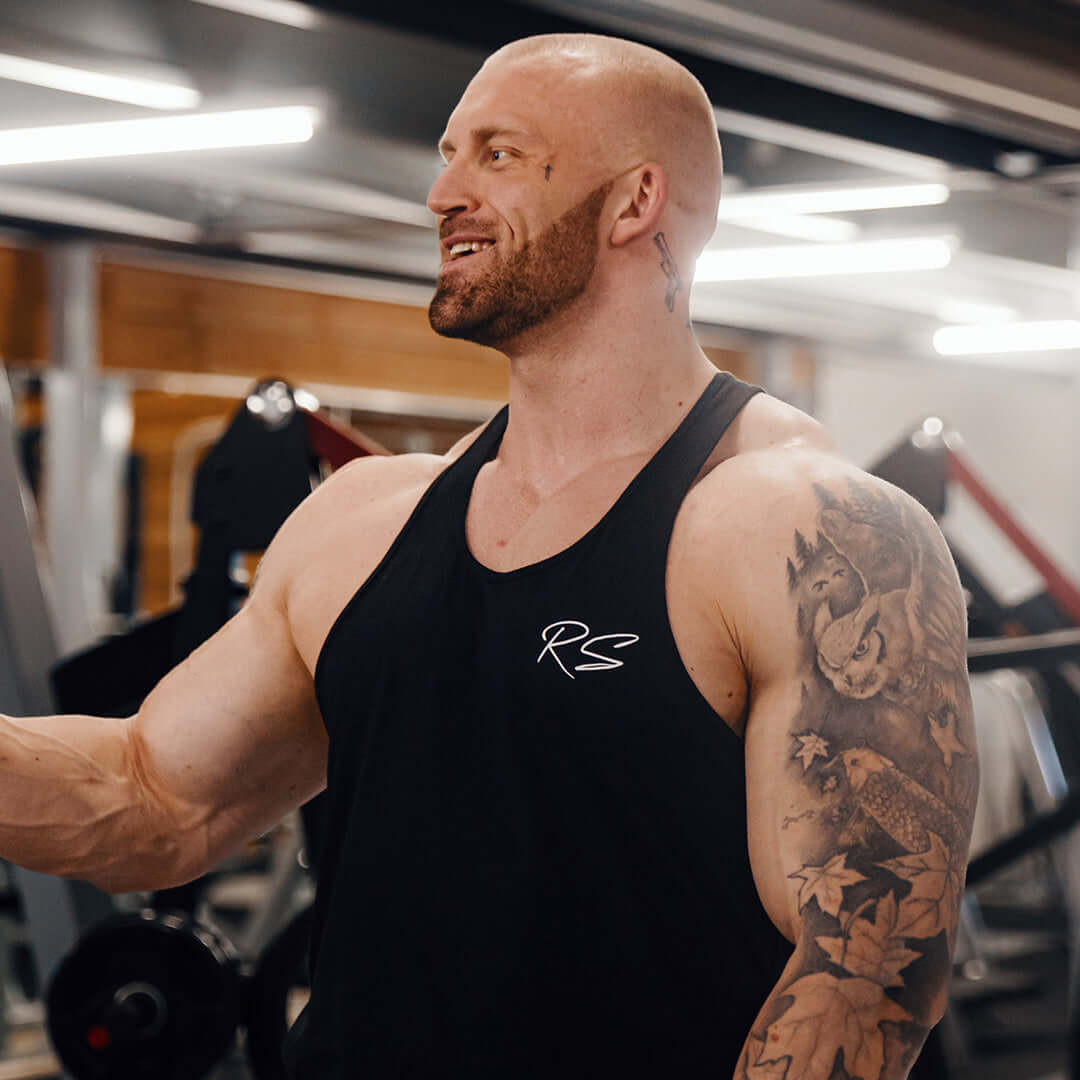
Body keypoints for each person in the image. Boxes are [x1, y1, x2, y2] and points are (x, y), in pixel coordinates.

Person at [0, 32, 975, 1080]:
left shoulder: (803, 530)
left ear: (635, 201)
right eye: (448, 154)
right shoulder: (364, 523)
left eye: (497, 155)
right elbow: (154, 797)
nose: (441, 195)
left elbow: (865, 969)